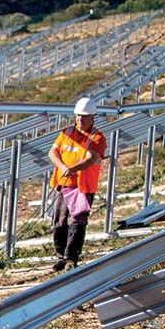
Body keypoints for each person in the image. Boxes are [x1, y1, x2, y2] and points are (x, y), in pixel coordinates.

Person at [48, 97, 106, 271]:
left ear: (92, 117)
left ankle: (71, 257)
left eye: (84, 116)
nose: (80, 119)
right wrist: (63, 167)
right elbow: (53, 152)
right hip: (64, 184)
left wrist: (72, 168)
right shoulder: (67, 133)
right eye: (78, 116)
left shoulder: (97, 137)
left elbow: (91, 159)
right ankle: (61, 256)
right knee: (59, 221)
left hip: (83, 187)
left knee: (77, 221)